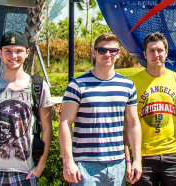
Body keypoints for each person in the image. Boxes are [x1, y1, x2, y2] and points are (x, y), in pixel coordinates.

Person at [0, 31, 53, 186]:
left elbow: (47, 129)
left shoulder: (38, 87)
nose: (13, 56)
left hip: (25, 173)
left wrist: (40, 166)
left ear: (27, 53)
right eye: (8, 51)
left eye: (18, 51)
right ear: (0, 53)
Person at [59, 33, 142, 186]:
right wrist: (68, 161)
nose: (107, 54)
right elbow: (65, 123)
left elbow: (133, 124)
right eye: (102, 50)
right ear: (94, 52)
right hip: (85, 165)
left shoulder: (127, 86)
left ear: (118, 54)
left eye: (112, 51)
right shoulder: (77, 85)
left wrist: (137, 159)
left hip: (117, 164)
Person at [129, 32, 176, 185]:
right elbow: (129, 123)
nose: (156, 54)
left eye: (160, 50)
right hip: (144, 155)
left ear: (166, 52)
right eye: (151, 51)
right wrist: (132, 158)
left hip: (173, 154)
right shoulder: (133, 83)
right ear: (144, 54)